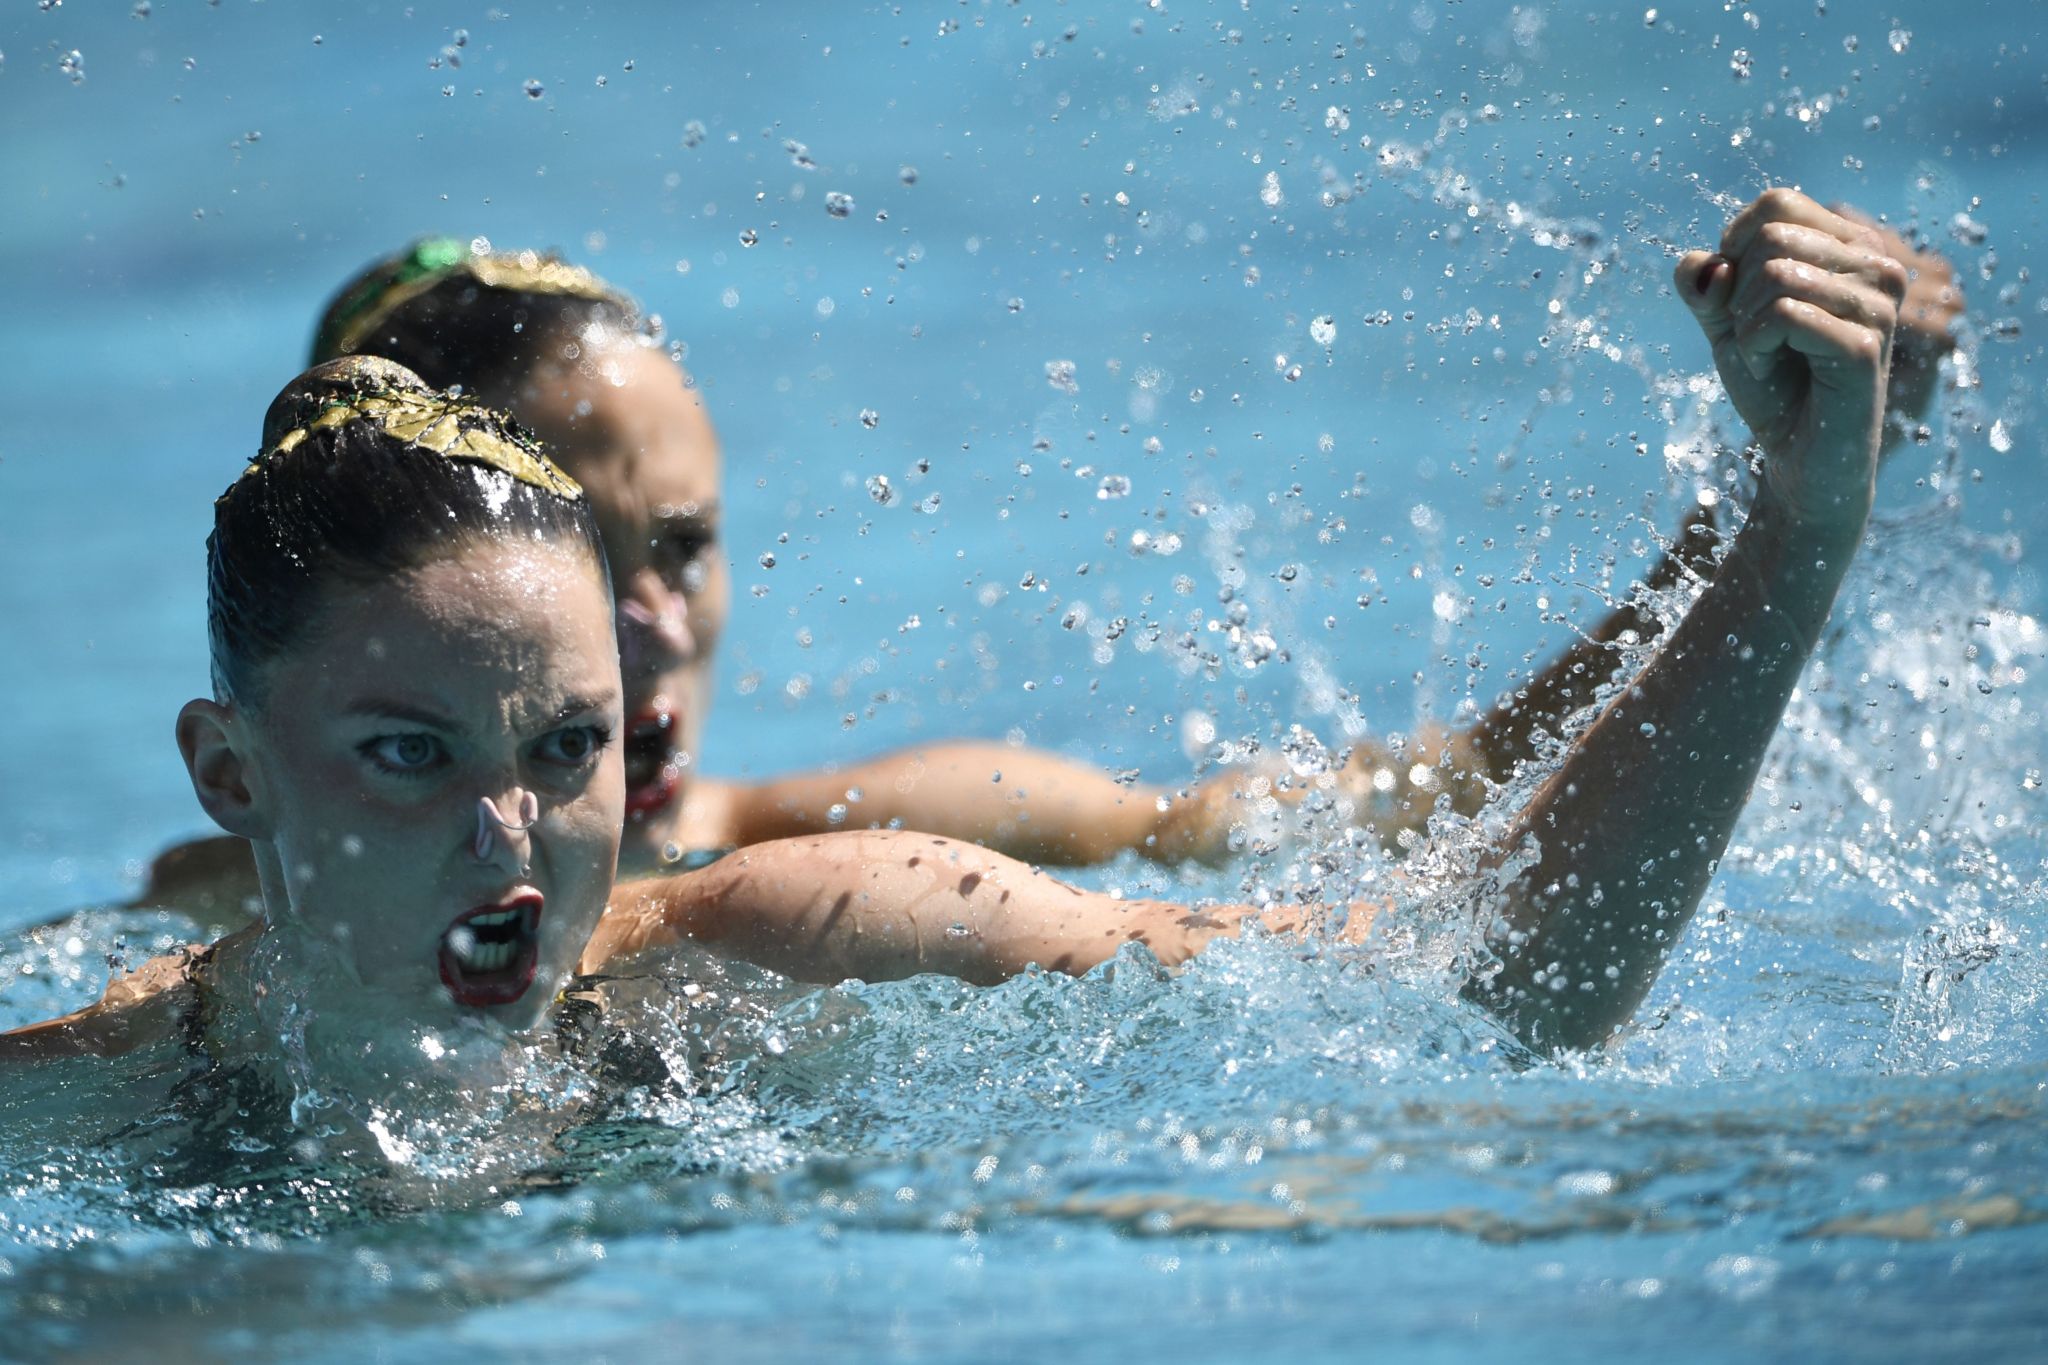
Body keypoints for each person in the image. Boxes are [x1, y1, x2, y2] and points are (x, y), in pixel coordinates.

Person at [0, 190, 1915, 1104]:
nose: (659, 630)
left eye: (675, 554)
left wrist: (1780, 528)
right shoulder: (150, 1001)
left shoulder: (831, 907)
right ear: (237, 766)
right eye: (412, 745)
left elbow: (1486, 980)